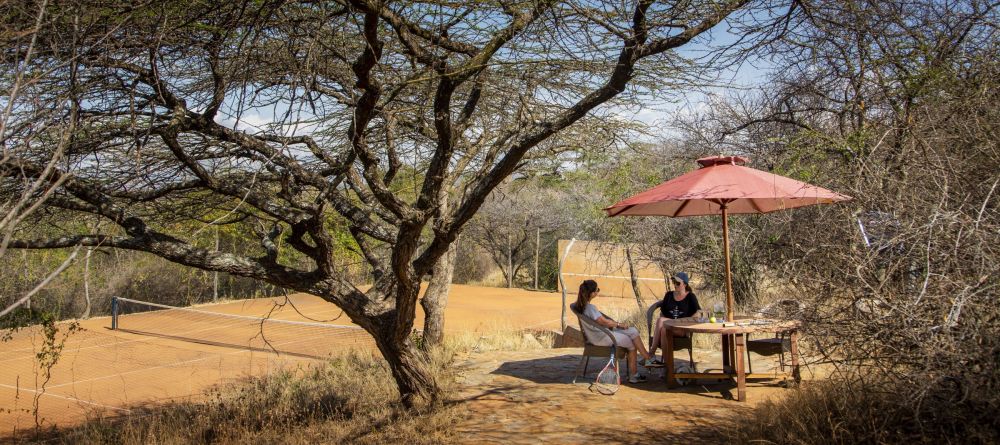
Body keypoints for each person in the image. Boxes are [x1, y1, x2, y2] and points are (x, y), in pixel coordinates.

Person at [574, 279, 660, 384]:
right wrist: (619, 324)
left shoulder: (580, 305)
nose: (598, 291)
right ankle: (634, 375)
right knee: (630, 342)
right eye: (598, 290)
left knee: (633, 331)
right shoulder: (590, 308)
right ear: (592, 294)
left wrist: (617, 325)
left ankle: (647, 358)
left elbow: (602, 321)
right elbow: (603, 322)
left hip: (600, 334)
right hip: (602, 337)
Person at [649, 272, 701, 358]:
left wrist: (682, 322)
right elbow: (663, 313)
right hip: (668, 326)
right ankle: (667, 364)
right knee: (663, 330)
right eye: (674, 282)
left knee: (661, 321)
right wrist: (669, 323)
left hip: (681, 328)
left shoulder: (690, 297)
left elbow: (699, 313)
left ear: (684, 284)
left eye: (678, 283)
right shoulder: (669, 295)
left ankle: (651, 353)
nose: (675, 285)